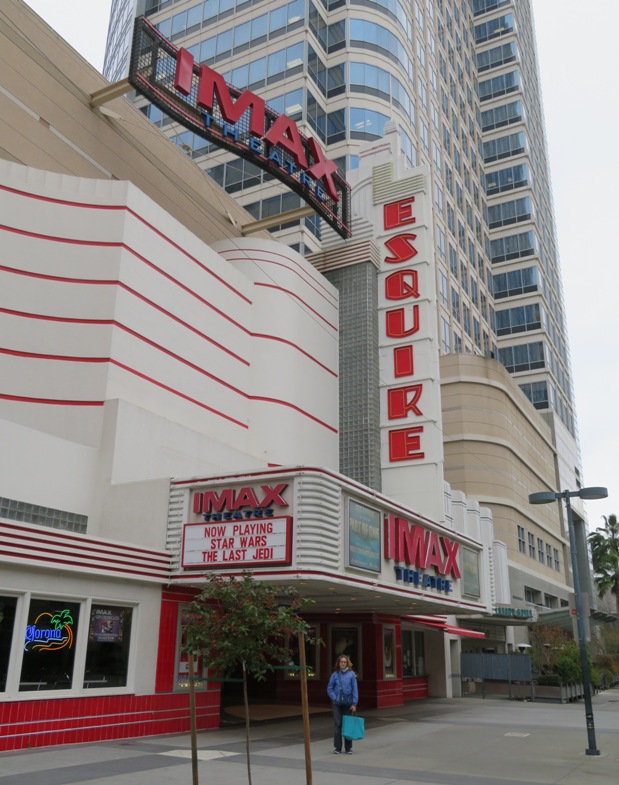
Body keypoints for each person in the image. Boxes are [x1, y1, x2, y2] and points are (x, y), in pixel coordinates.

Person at [327, 654, 358, 754]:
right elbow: (329, 688)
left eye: (345, 662)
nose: (343, 663)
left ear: (347, 663)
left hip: (348, 704)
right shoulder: (335, 675)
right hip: (337, 704)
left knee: (348, 725)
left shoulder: (351, 675)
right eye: (341, 662)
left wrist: (354, 703)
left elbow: (355, 690)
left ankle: (348, 748)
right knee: (338, 725)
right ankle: (337, 747)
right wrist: (334, 698)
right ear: (339, 663)